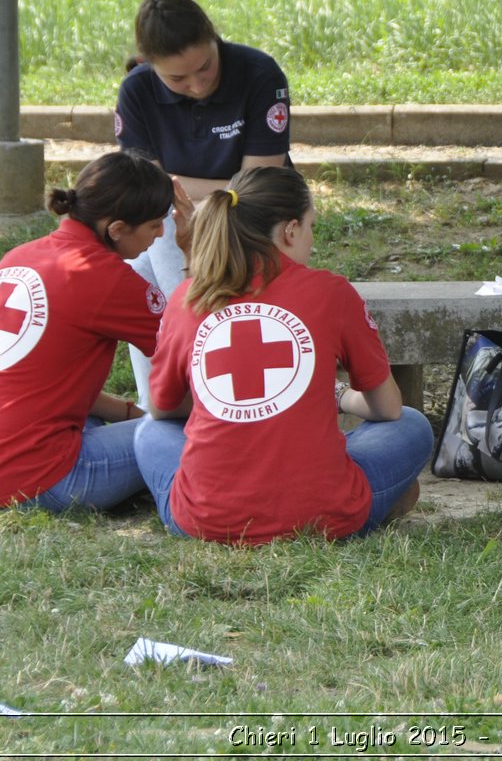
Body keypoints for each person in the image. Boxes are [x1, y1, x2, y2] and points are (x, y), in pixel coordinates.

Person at [133, 166, 433, 544]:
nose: (311, 238)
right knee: (411, 424)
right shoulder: (332, 292)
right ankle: (369, 491)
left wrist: (222, 405)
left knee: (149, 431)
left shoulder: (188, 296)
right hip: (325, 516)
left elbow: (162, 409)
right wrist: (336, 397)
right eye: (310, 226)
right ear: (290, 230)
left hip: (206, 520)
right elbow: (388, 409)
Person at [0, 151, 183, 512]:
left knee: (134, 422)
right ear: (117, 229)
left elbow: (42, 381)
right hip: (37, 481)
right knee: (182, 431)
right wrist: (193, 250)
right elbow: (202, 353)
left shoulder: (18, 256)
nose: (160, 235)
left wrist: (130, 413)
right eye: (156, 224)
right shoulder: (104, 277)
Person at [115, 0, 293, 409]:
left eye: (205, 67)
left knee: (164, 230)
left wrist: (177, 185)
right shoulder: (137, 92)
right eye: (177, 79)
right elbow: (148, 189)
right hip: (178, 221)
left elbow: (256, 184)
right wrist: (210, 186)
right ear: (148, 64)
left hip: (252, 218)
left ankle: (196, 365)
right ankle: (160, 400)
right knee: (138, 272)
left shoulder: (258, 73)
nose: (196, 85)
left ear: (215, 38)